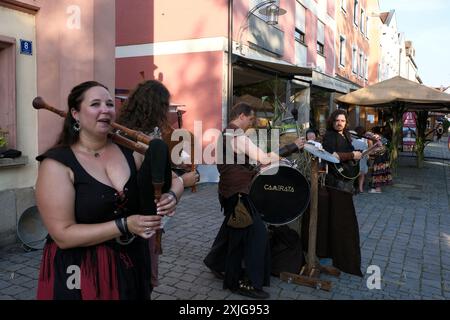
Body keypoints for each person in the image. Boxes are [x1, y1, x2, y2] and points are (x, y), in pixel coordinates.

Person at [35, 81, 182, 300]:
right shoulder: (57, 164)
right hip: (81, 270)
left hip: (132, 261)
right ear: (75, 113)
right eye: (95, 104)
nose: (105, 109)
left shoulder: (131, 151)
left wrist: (172, 195)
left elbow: (176, 180)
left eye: (110, 104)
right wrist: (125, 225)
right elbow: (63, 235)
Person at [203, 102, 305, 299]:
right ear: (241, 116)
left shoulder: (225, 133)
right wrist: (292, 146)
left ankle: (215, 262)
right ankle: (245, 283)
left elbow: (236, 162)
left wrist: (251, 168)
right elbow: (264, 158)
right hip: (238, 194)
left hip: (229, 192)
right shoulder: (236, 136)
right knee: (256, 236)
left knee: (232, 228)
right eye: (250, 119)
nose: (251, 124)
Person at [117, 79, 196, 288]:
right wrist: (183, 181)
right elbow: (160, 181)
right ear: (157, 108)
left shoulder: (118, 131)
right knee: (141, 280)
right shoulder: (147, 138)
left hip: (123, 217)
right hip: (140, 218)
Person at [303, 109, 363, 277]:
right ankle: (328, 258)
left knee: (341, 220)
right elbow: (333, 156)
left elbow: (350, 156)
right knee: (335, 219)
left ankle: (336, 257)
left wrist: (358, 155)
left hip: (343, 182)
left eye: (343, 121)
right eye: (337, 120)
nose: (340, 123)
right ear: (332, 121)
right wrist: (352, 154)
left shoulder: (346, 136)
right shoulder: (329, 136)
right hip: (334, 184)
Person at [368, 127, 392, 194]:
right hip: (384, 159)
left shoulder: (377, 138)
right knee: (380, 173)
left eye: (372, 132)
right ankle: (377, 188)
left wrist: (372, 149)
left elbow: (377, 148)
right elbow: (386, 145)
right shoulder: (382, 138)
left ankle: (377, 189)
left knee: (378, 173)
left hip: (379, 159)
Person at [351, 126, 369, 194]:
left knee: (352, 175)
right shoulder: (363, 142)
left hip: (354, 161)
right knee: (362, 174)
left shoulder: (351, 142)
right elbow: (366, 152)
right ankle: (360, 188)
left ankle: (352, 187)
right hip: (362, 161)